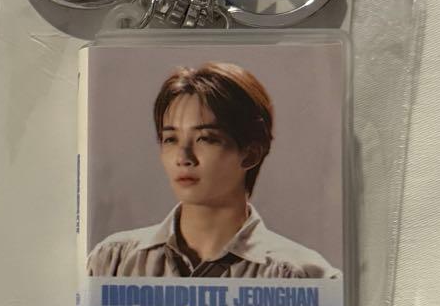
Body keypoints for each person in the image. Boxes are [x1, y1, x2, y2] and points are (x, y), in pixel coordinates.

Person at [86, 62, 341, 279]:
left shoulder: (303, 276)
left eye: (206, 138)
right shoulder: (113, 262)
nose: (183, 158)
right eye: (171, 139)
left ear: (251, 153)